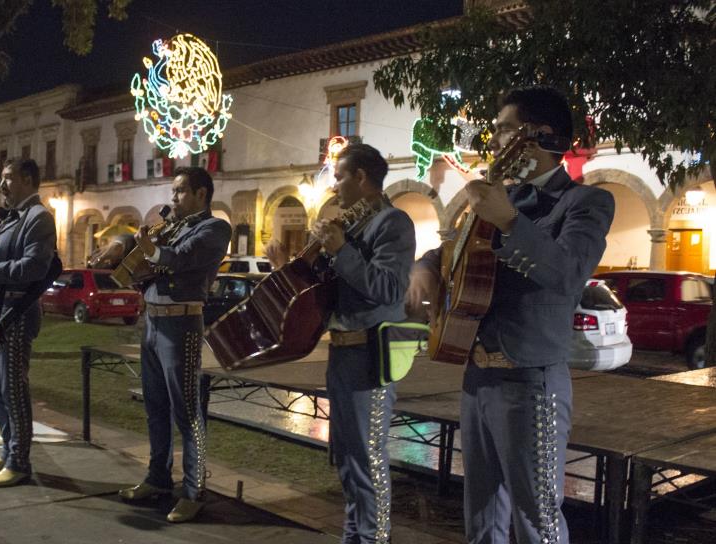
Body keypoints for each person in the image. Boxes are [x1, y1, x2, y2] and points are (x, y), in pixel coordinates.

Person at [407, 85, 615, 544]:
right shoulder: (505, 198)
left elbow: (566, 274)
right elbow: (448, 250)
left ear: (538, 136)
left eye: (503, 130)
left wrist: (510, 223)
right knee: (480, 510)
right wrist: (422, 268)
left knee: (535, 516)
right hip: (476, 376)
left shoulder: (584, 203)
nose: (495, 141)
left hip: (530, 380)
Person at [267, 144, 416, 543]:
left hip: (371, 355)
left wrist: (341, 250)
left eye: (341, 176)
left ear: (361, 178)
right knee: (348, 461)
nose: (335, 185)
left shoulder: (393, 222)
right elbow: (326, 292)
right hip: (344, 352)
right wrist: (291, 265)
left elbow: (387, 288)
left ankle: (373, 539)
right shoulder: (351, 225)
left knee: (368, 460)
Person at [117, 166, 232, 523]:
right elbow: (151, 259)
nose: (174, 197)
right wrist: (123, 249)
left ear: (201, 194)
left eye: (181, 191)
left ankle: (194, 490)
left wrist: (152, 251)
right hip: (152, 321)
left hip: (181, 323)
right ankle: (158, 478)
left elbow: (181, 259)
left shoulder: (215, 228)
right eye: (173, 190)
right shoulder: (172, 226)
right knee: (155, 406)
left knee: (186, 409)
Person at [0, 158, 56, 488]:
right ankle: (7, 450)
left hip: (18, 313)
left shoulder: (38, 217)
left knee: (14, 389)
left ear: (28, 179)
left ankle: (20, 461)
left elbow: (35, 267)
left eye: (8, 178)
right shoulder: (12, 217)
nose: (2, 185)